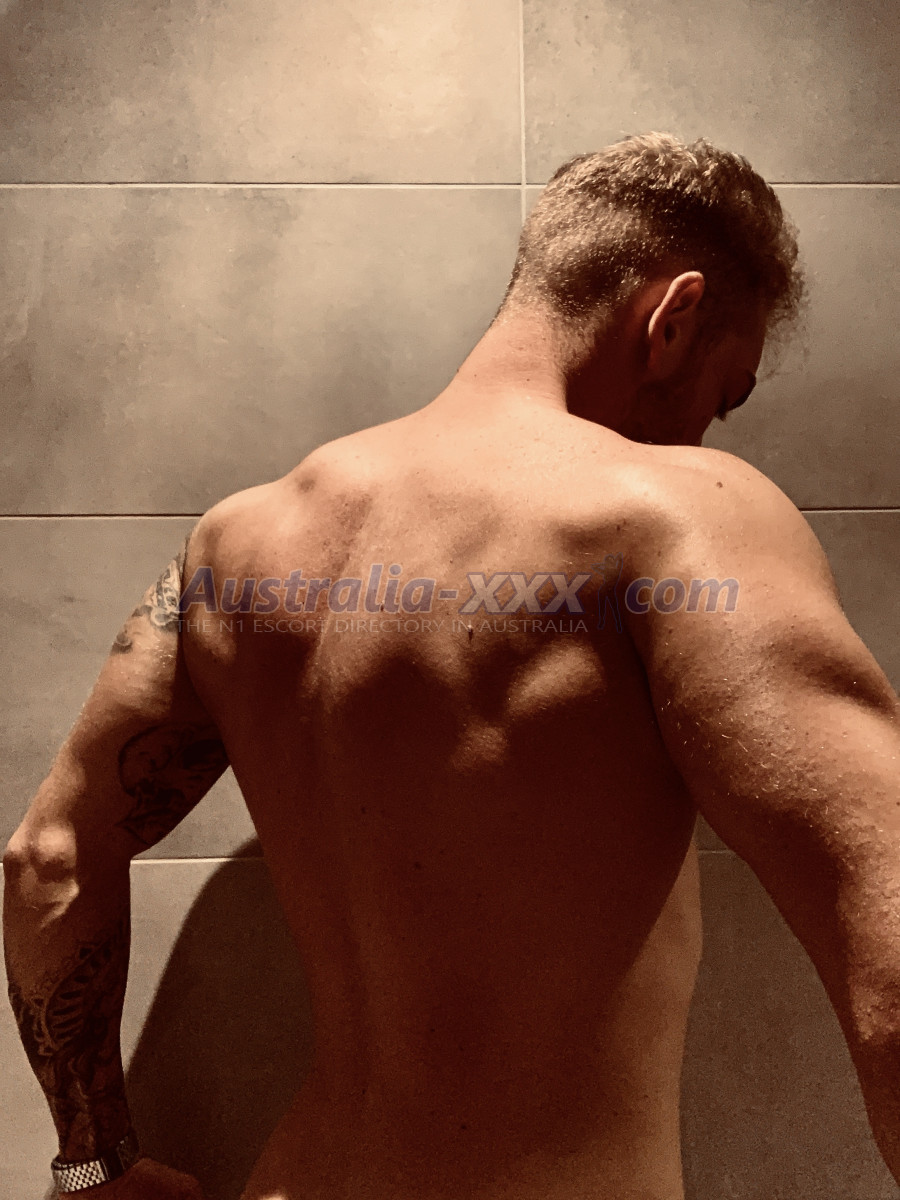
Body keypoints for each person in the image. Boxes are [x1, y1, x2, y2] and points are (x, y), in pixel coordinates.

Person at [5, 132, 899, 1200]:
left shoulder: (238, 542)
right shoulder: (670, 515)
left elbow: (46, 863)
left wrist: (92, 1165)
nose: (707, 433)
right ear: (674, 317)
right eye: (728, 392)